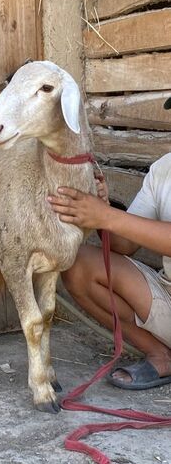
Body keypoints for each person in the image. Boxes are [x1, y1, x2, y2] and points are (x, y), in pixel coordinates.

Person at [47, 152, 171, 389]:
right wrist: (100, 212)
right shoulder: (164, 168)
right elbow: (123, 245)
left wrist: (108, 216)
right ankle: (161, 355)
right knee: (79, 266)